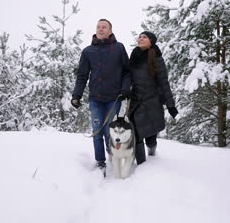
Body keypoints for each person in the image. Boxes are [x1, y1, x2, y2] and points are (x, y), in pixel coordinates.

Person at [71, 19, 131, 170]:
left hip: (114, 97)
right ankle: (100, 161)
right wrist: (76, 95)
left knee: (109, 130)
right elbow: (82, 76)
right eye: (98, 27)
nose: (101, 29)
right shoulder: (88, 51)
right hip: (95, 98)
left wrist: (125, 89)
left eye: (104, 27)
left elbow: (126, 72)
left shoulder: (118, 48)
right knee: (97, 130)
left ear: (110, 31)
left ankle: (113, 154)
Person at [129, 31, 178, 165]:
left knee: (150, 138)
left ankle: (152, 155)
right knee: (137, 135)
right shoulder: (134, 57)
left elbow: (163, 82)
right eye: (139, 37)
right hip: (135, 102)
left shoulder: (156, 58)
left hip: (152, 102)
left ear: (151, 41)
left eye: (144, 37)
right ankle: (141, 164)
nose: (141, 39)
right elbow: (127, 78)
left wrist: (171, 105)